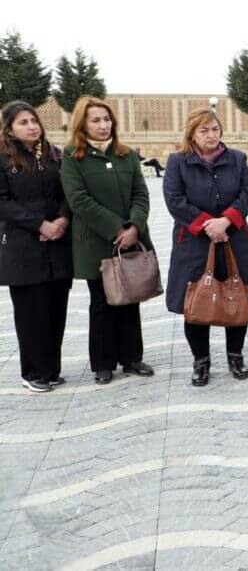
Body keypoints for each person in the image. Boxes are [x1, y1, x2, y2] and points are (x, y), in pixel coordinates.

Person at [163, 107, 248, 386]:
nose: (211, 135)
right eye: (204, 130)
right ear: (192, 133)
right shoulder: (178, 162)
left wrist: (226, 221)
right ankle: (201, 360)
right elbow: (174, 200)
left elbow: (247, 193)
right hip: (193, 244)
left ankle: (235, 356)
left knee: (236, 295)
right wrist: (208, 224)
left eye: (215, 129)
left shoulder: (237, 159)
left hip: (233, 240)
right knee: (196, 300)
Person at [61, 96, 154, 384]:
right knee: (102, 303)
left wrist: (134, 226)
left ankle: (131, 358)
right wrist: (117, 229)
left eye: (107, 119)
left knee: (129, 300)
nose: (103, 125)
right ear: (82, 124)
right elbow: (78, 200)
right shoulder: (72, 156)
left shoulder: (126, 154)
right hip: (96, 244)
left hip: (131, 239)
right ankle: (103, 363)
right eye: (95, 120)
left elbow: (140, 194)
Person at [0, 102, 74, 392]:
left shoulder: (53, 155)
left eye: (34, 120)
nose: (32, 126)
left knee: (56, 310)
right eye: (23, 122)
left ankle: (51, 369)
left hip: (57, 244)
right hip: (23, 247)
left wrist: (62, 220)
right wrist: (39, 224)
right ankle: (33, 372)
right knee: (31, 314)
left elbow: (68, 192)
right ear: (9, 129)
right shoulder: (4, 158)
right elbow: (3, 203)